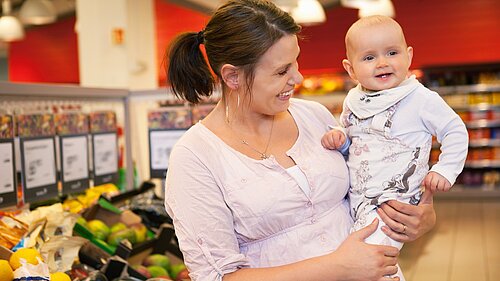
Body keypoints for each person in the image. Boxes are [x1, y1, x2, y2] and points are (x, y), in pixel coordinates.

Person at [164, 1, 436, 280]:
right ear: (233, 76)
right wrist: (338, 267)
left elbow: (373, 177)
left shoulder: (314, 116)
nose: (298, 77)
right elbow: (216, 276)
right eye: (282, 71)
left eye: (296, 62)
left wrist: (418, 216)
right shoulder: (195, 156)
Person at [321, 15, 468, 280]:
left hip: (394, 200)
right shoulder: (355, 99)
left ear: (409, 55)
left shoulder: (420, 99)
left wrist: (446, 169)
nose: (382, 63)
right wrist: (341, 140)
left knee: (367, 260)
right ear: (350, 69)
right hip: (357, 198)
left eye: (392, 52)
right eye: (369, 58)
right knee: (362, 259)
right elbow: (357, 142)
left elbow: (455, 130)